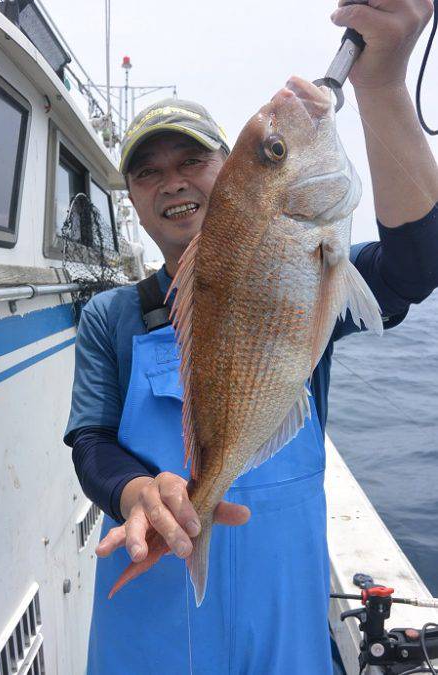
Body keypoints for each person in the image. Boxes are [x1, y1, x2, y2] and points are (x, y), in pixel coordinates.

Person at [65, 1, 438, 673]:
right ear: (134, 197)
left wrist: (382, 87)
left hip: (281, 617)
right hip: (150, 605)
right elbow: (90, 440)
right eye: (148, 171)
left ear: (226, 173)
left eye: (193, 159)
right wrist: (134, 493)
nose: (172, 180)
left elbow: (416, 265)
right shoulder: (110, 316)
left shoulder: (308, 268)